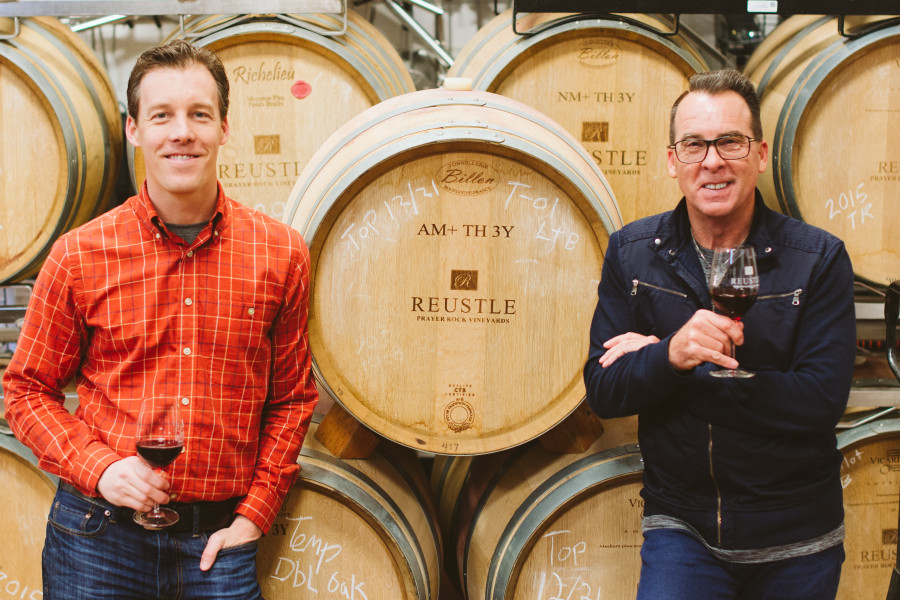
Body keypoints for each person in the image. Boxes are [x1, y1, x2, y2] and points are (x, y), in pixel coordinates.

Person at [2, 39, 318, 599]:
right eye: (161, 116)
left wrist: (255, 515)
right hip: (97, 539)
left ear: (224, 127)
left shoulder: (281, 252)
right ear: (133, 129)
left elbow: (292, 399)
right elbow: (26, 390)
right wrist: (99, 468)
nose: (182, 132)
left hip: (218, 542)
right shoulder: (80, 254)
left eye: (199, 114)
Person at [583, 69, 856, 599]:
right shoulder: (633, 253)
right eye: (694, 145)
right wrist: (672, 353)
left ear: (758, 152)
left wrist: (674, 365)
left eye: (729, 141)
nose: (712, 161)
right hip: (683, 531)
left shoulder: (818, 259)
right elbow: (604, 390)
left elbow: (819, 401)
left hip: (798, 536)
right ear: (672, 160)